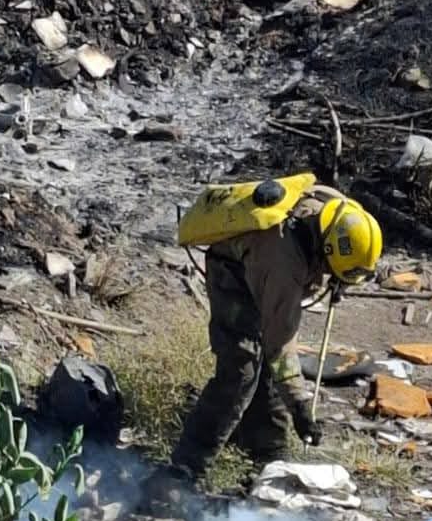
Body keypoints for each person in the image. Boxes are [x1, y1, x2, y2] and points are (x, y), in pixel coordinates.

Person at [155, 173, 382, 493]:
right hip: (230, 273)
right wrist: (301, 409)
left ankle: (268, 456)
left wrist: (338, 278)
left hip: (256, 260)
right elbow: (280, 348)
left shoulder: (340, 213)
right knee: (241, 370)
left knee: (267, 371)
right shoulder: (282, 265)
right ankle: (184, 467)